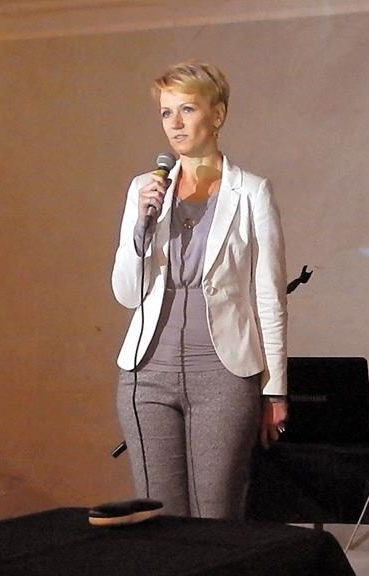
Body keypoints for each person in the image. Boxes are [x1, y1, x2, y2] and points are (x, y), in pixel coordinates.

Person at [111, 61, 288, 519]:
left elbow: (269, 297)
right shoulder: (144, 190)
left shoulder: (251, 192)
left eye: (187, 109)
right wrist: (140, 230)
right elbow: (127, 293)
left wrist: (275, 391)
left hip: (222, 373)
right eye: (166, 112)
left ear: (218, 114)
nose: (175, 123)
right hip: (147, 372)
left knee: (216, 516)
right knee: (158, 517)